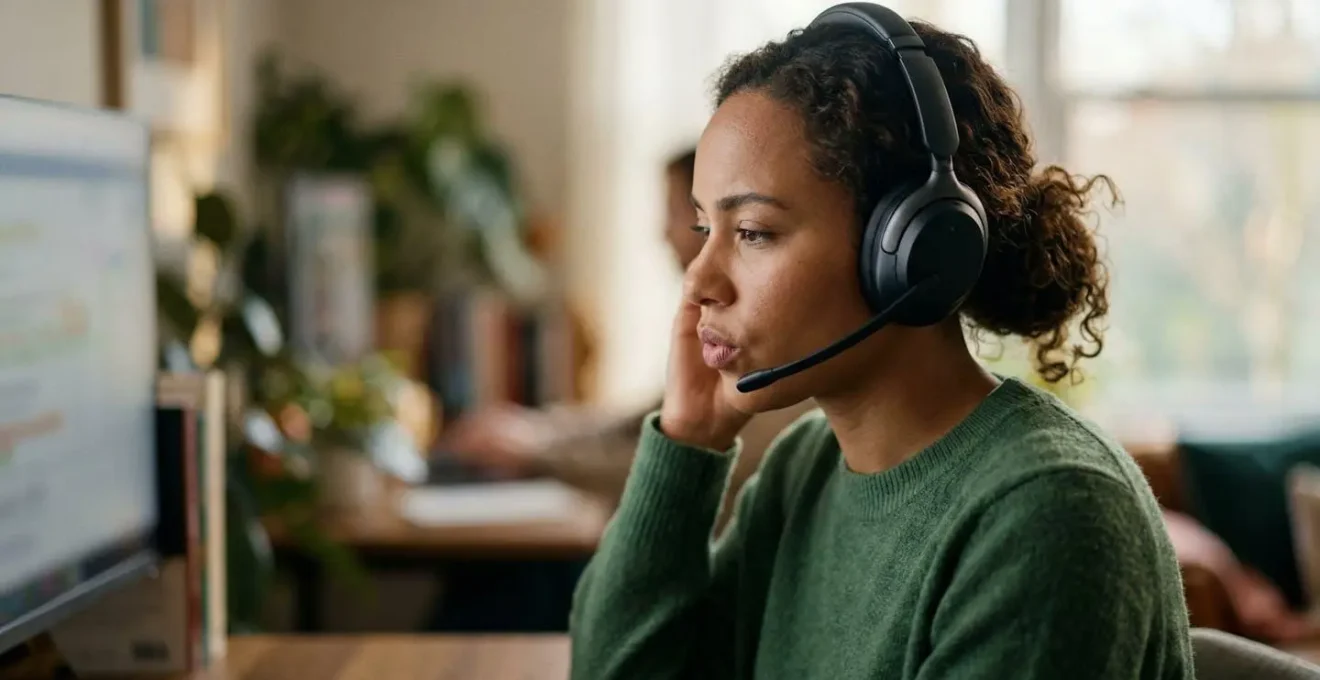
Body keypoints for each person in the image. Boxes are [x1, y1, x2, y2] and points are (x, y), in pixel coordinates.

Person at [568, 10, 1193, 680]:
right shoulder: (805, 469)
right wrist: (688, 441)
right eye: (702, 228)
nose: (698, 282)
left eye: (752, 231)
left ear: (909, 249)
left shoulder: (1047, 512)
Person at [443, 149, 813, 517]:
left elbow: (692, 460)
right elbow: (644, 422)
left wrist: (538, 453)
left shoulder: (772, 332)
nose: (663, 233)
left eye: (675, 213)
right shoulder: (716, 324)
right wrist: (535, 430)